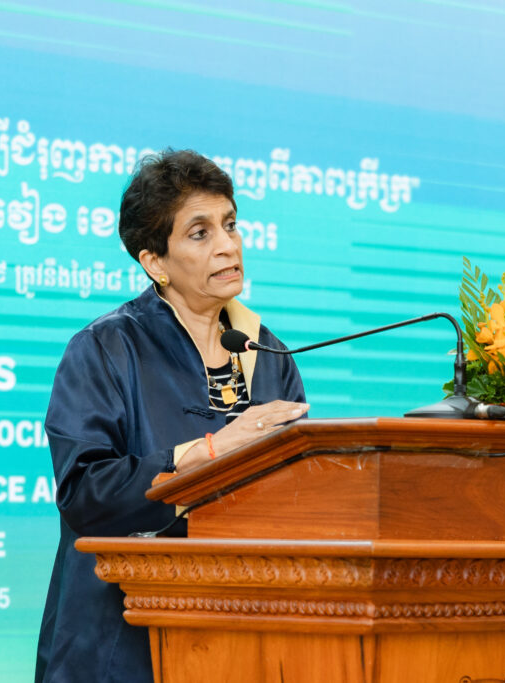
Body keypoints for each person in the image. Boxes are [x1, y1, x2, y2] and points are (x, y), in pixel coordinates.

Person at [35, 149, 309, 682]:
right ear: (154, 262)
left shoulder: (270, 355)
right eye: (200, 233)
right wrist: (209, 452)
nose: (228, 245)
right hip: (120, 643)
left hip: (242, 637)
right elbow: (85, 493)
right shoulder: (106, 349)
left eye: (230, 224)